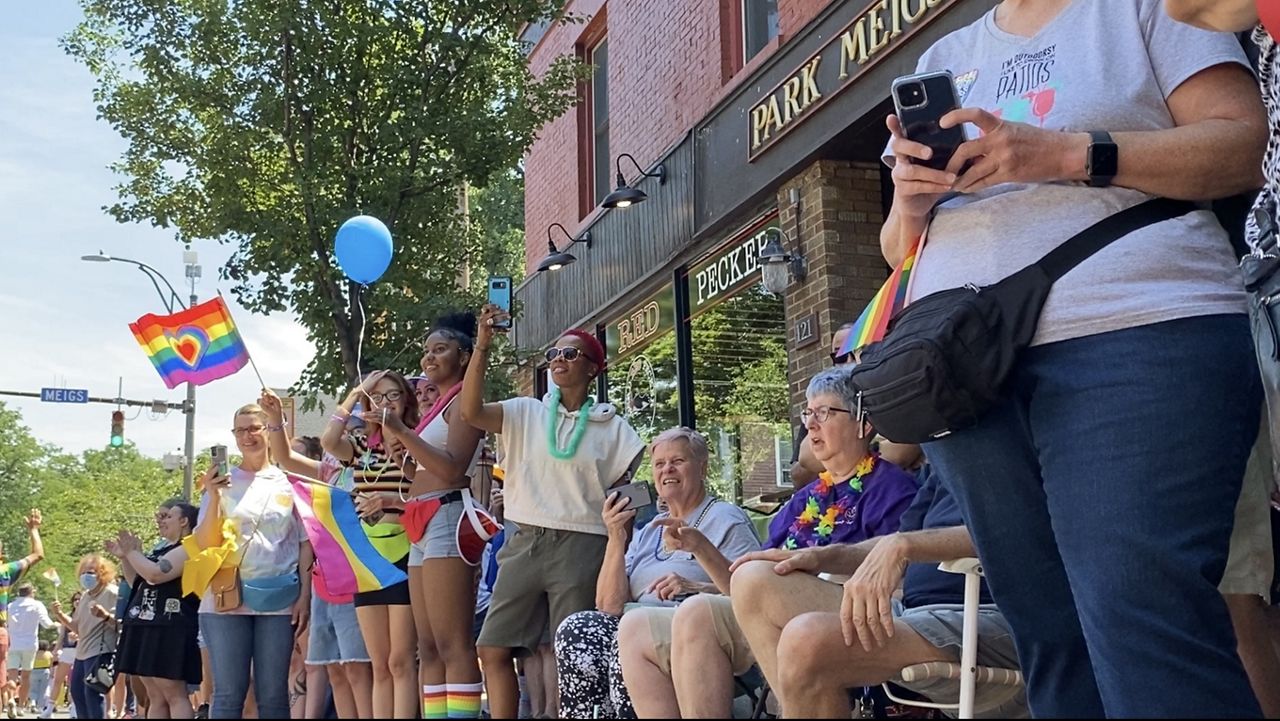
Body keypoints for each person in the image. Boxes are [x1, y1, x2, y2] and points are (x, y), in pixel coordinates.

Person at [877, 0, 1266, 715]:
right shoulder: (944, 55)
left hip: (1140, 333)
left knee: (1142, 617)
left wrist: (1064, 153)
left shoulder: (1146, 10)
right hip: (971, 377)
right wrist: (909, 201)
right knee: (1049, 637)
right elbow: (897, 251)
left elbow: (1241, 144)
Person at [616, 367, 919, 718]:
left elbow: (897, 579)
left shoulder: (891, 488)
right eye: (808, 413)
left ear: (863, 424)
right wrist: (699, 546)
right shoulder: (803, 499)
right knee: (646, 623)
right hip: (769, 618)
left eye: (825, 412)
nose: (811, 424)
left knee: (715, 601)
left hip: (850, 613)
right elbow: (744, 585)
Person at [461, 306, 647, 720]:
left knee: (573, 653)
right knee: (491, 646)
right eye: (554, 355)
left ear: (594, 369)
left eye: (569, 354)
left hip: (583, 544)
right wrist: (483, 346)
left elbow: (624, 497)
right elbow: (470, 413)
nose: (558, 360)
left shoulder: (615, 429)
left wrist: (623, 541)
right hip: (524, 538)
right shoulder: (524, 411)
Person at [726, 471, 1022, 717]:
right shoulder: (948, 457)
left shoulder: (1030, 433)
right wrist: (821, 556)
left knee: (807, 639)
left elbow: (1030, 529)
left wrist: (904, 546)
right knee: (752, 581)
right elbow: (897, 539)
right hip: (910, 614)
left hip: (987, 613)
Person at [554, 427, 761, 719]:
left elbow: (753, 592)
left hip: (694, 633)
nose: (667, 470)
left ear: (702, 468)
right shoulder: (650, 530)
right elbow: (608, 606)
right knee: (576, 629)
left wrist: (696, 586)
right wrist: (616, 536)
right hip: (635, 622)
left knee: (628, 638)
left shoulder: (726, 519)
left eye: (677, 461)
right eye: (659, 464)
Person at [372, 313, 488, 720]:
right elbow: (426, 471)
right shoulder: (435, 407)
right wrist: (403, 456)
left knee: (453, 641)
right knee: (428, 644)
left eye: (440, 349)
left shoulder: (463, 402)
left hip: (447, 518)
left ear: (465, 355)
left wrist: (403, 434)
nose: (429, 357)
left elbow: (454, 469)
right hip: (420, 521)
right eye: (426, 351)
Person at [194, 404, 312, 719]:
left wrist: (305, 594)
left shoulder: (289, 480)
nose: (247, 436)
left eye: (253, 428)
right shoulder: (222, 481)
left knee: (273, 694)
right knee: (229, 693)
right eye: (240, 430)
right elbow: (205, 543)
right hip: (227, 596)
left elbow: (304, 542)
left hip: (279, 596)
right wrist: (215, 496)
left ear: (268, 430)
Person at [260, 393, 374, 720]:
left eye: (354, 428)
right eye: (344, 427)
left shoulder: (370, 467)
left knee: (357, 667)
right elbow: (283, 455)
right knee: (334, 668)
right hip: (326, 577)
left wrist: (357, 392)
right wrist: (276, 417)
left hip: (357, 575)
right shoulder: (329, 471)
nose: (344, 436)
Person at [318, 371, 420, 719]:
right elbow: (329, 441)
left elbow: (427, 495)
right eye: (376, 397)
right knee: (379, 663)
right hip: (367, 557)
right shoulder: (361, 447)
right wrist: (354, 394)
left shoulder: (416, 442)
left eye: (392, 395)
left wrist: (391, 499)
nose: (385, 403)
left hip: (406, 551)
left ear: (406, 399)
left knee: (401, 659)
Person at [107, 500, 202, 719]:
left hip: (170, 626)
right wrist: (126, 557)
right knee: (155, 695)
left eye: (168, 516)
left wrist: (132, 553)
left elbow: (155, 574)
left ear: (184, 520)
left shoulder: (189, 547)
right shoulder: (161, 548)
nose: (161, 521)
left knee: (174, 693)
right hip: (145, 622)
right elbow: (138, 583)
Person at [49, 554, 119, 719]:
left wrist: (105, 615)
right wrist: (59, 615)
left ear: (102, 573)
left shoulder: (112, 593)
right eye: (83, 572)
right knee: (77, 693)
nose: (86, 576)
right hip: (82, 652)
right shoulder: (86, 595)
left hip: (101, 651)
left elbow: (121, 625)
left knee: (92, 693)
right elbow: (77, 627)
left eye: (91, 572)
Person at [789, 323, 856, 488]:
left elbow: (899, 454)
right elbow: (799, 473)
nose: (849, 361)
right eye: (840, 356)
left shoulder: (884, 393)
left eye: (857, 352)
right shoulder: (818, 402)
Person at [0, 509, 44, 719]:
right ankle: (9, 697)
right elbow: (38, 555)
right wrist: (33, 529)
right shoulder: (5, 571)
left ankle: (8, 695)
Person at [7, 584, 56, 713]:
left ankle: (11, 698)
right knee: (25, 677)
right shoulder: (37, 605)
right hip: (29, 645)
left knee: (12, 675)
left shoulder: (10, 606)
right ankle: (20, 707)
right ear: (31, 592)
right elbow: (46, 623)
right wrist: (57, 624)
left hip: (13, 644)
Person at [51, 595, 79, 716]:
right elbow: (62, 635)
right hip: (67, 650)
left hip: (81, 650)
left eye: (80, 599)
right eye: (75, 599)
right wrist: (56, 651)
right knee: (58, 679)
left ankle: (74, 708)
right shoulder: (67, 615)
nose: (77, 601)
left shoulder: (87, 614)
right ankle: (49, 707)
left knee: (75, 681)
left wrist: (78, 637)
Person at [29, 641, 52, 717]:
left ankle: (33, 702)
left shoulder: (34, 653)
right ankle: (40, 707)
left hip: (34, 671)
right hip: (45, 671)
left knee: (33, 688)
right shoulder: (48, 654)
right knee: (43, 690)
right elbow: (52, 663)